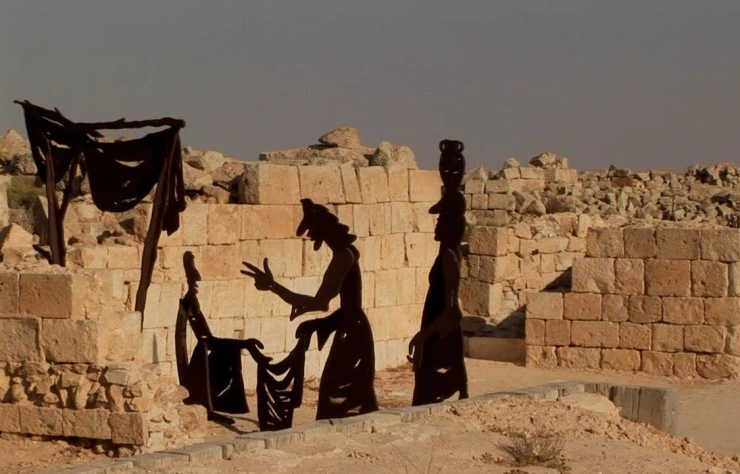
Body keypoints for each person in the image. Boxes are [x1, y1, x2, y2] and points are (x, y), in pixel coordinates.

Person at [242, 198, 379, 420]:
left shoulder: (343, 257)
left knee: (336, 388)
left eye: (312, 230)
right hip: (351, 326)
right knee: (347, 387)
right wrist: (319, 323)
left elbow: (320, 302)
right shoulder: (346, 253)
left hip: (352, 332)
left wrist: (273, 287)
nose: (310, 236)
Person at [408, 139, 469, 405]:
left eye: (441, 219)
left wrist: (423, 336)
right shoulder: (449, 252)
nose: (436, 224)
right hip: (439, 335)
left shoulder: (448, 257)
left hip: (441, 339)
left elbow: (453, 311)